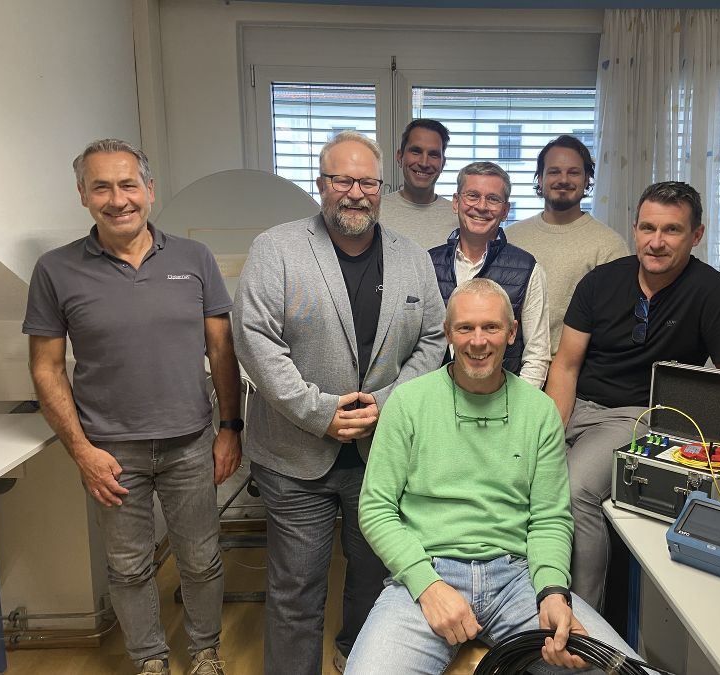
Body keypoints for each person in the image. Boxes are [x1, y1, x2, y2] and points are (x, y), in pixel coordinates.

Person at [23, 139, 241, 675]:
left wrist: (230, 428)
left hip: (190, 442)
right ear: (83, 195)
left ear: (149, 189)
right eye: (101, 187)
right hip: (110, 451)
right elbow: (46, 368)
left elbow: (222, 350)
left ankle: (205, 652)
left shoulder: (194, 259)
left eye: (128, 184)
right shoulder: (56, 270)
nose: (117, 199)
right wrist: (81, 451)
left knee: (201, 558)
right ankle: (149, 661)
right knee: (128, 567)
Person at [232, 131, 446, 675]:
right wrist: (319, 412)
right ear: (320, 183)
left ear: (382, 187)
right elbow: (255, 342)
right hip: (295, 455)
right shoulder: (276, 248)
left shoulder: (412, 257)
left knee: (376, 581)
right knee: (296, 591)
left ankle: (359, 657)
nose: (355, 193)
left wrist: (388, 404)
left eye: (367, 182)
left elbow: (433, 339)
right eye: (342, 180)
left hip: (382, 455)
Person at [345, 278, 639, 674]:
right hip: (428, 571)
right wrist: (427, 585)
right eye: (465, 327)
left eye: (491, 327)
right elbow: (376, 509)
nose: (478, 341)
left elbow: (550, 518)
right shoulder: (409, 403)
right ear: (448, 333)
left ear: (512, 332)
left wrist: (553, 592)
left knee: (624, 671)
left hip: (517, 579)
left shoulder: (539, 412)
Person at [544, 181, 720, 611]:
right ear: (634, 228)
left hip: (634, 417)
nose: (656, 242)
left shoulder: (710, 291)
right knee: (531, 478)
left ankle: (582, 620)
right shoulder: (599, 282)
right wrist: (547, 436)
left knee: (574, 490)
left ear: (696, 235)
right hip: (576, 405)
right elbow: (565, 366)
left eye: (672, 230)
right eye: (648, 228)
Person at [429, 162, 551, 388]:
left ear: (505, 211)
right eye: (472, 196)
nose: (481, 206)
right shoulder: (428, 263)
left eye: (493, 199)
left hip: (503, 398)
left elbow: (537, 355)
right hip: (438, 397)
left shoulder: (528, 269)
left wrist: (516, 405)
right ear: (456, 202)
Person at [505, 135, 629, 354]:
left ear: (587, 179)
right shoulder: (510, 237)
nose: (563, 180)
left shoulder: (610, 246)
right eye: (554, 172)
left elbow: (614, 326)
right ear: (540, 179)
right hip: (510, 365)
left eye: (573, 172)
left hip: (578, 368)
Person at [378, 119, 457, 250]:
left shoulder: (459, 218)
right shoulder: (375, 211)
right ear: (400, 157)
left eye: (433, 155)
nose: (424, 163)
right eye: (416, 151)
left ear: (443, 164)